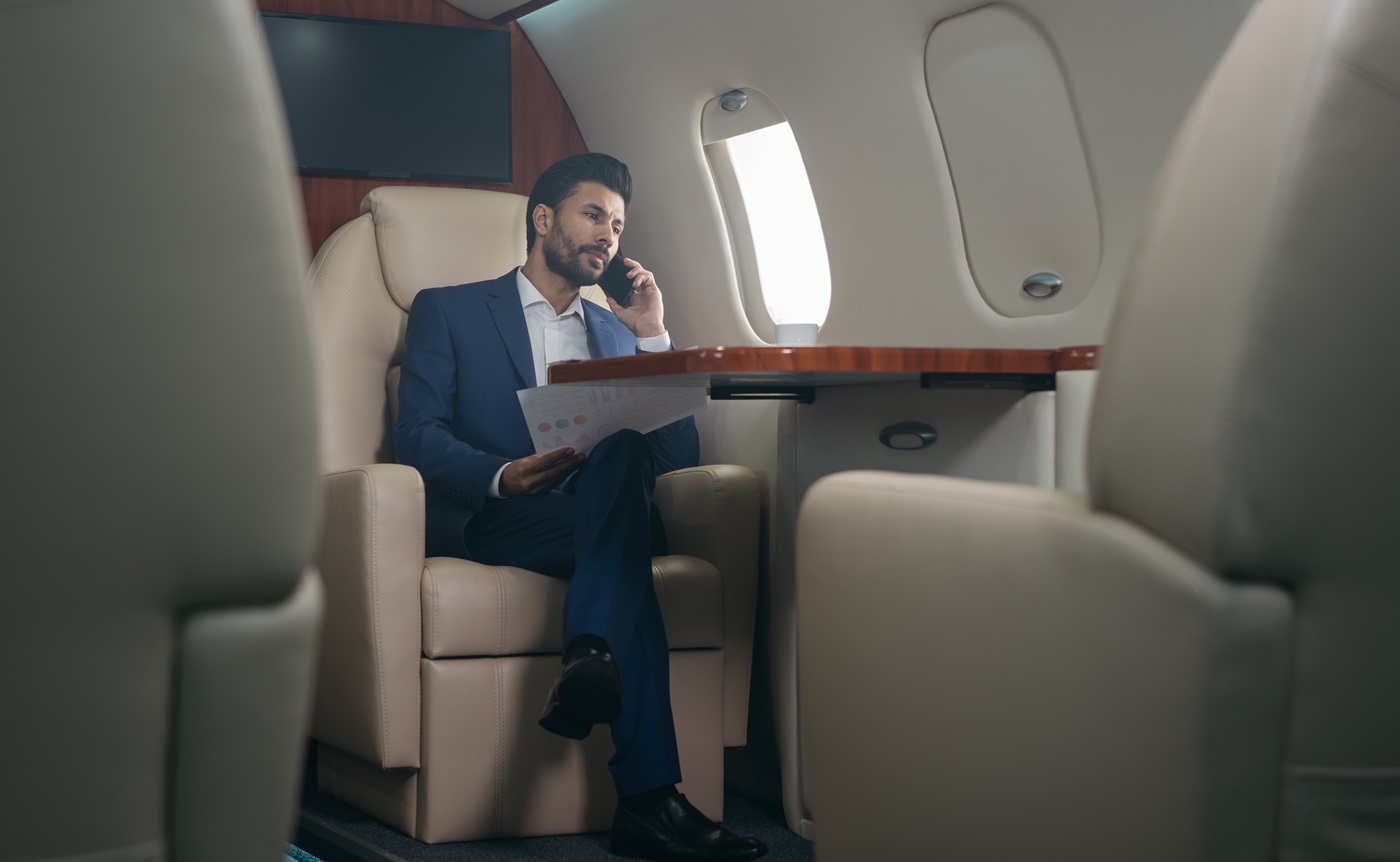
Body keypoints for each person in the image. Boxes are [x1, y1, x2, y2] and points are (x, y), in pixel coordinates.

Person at [394, 153, 767, 862]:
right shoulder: (450, 308)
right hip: (500, 513)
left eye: (618, 226)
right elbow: (416, 432)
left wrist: (654, 337)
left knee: (624, 450)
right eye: (594, 215)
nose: (608, 236)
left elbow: (674, 459)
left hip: (599, 512)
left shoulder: (620, 331)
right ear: (543, 219)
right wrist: (501, 475)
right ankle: (649, 803)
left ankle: (592, 657)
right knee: (626, 564)